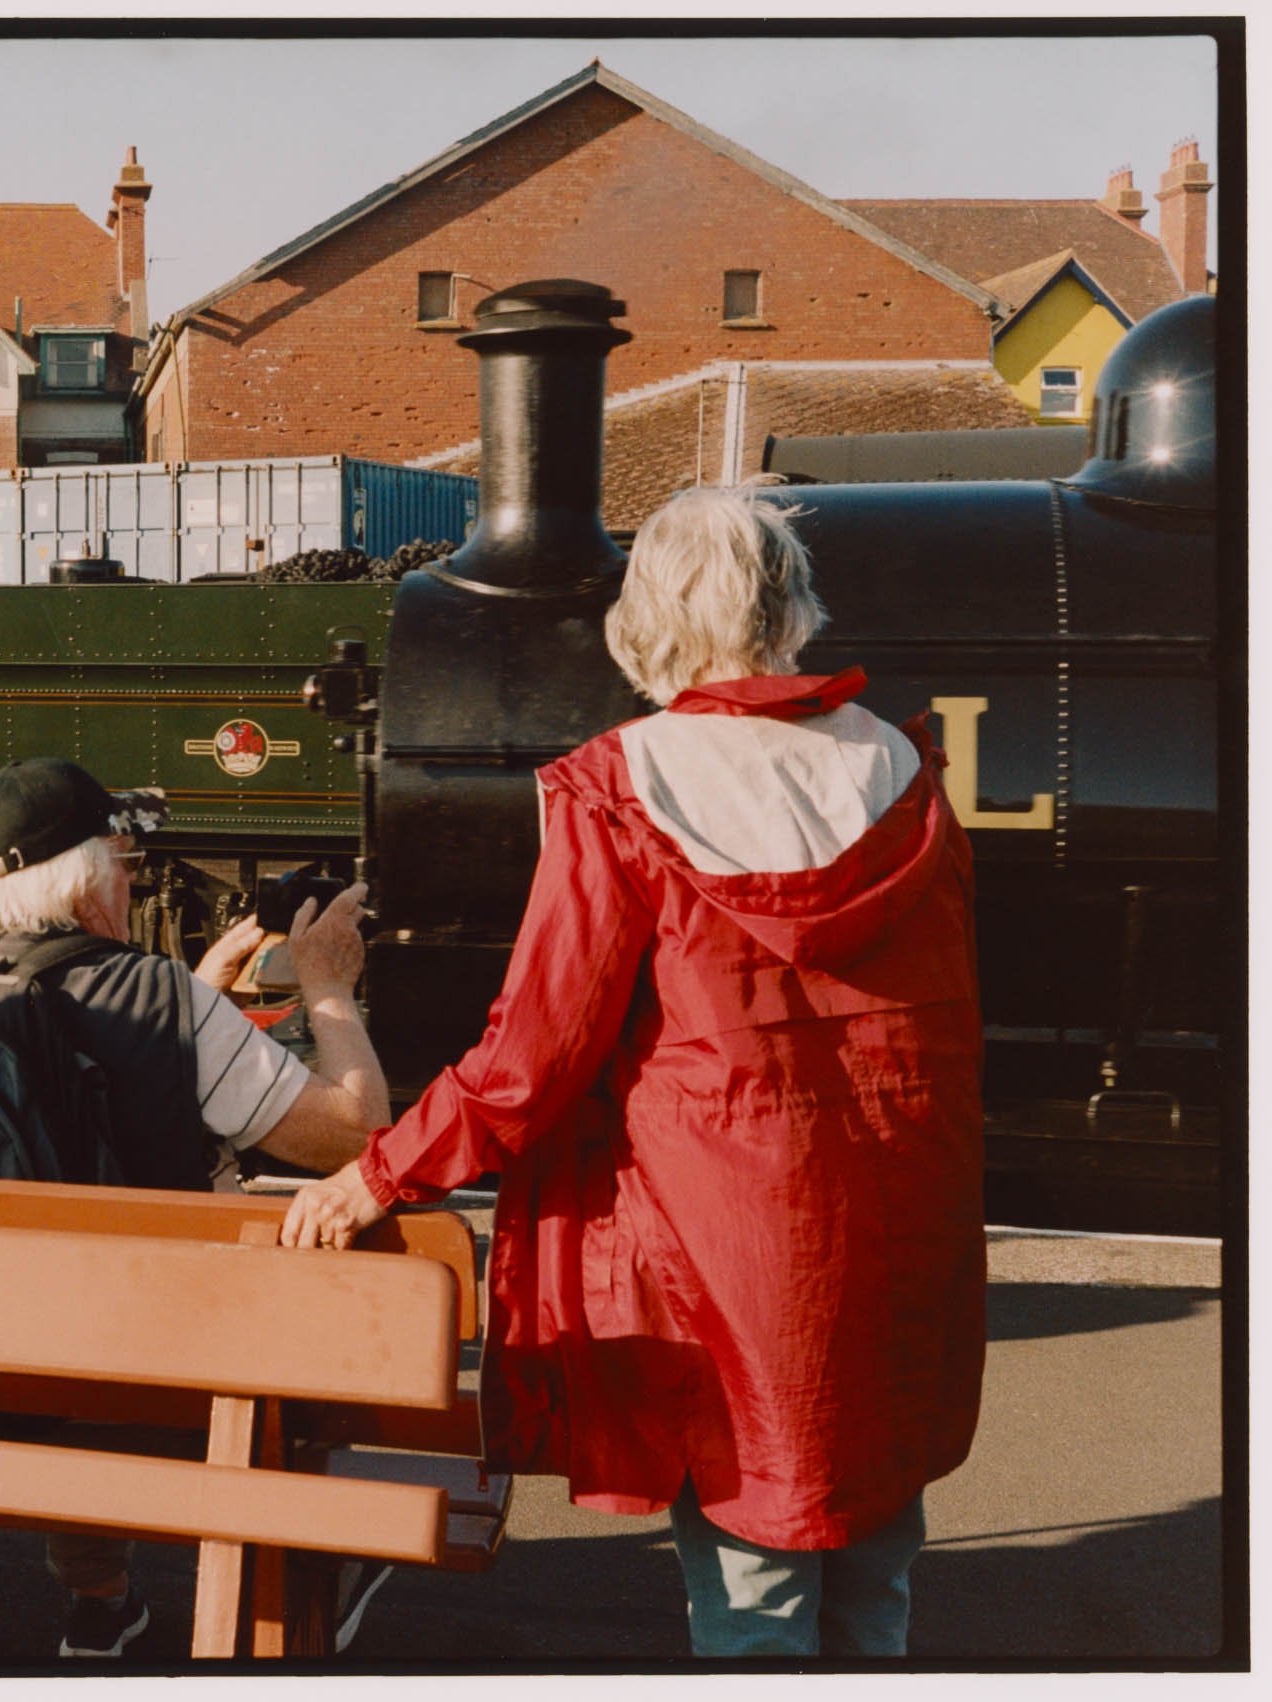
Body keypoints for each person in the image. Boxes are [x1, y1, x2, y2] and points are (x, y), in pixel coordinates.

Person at [280, 485, 985, 1659]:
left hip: (733, 1243)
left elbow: (531, 1052)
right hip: (903, 1221)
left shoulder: (620, 788)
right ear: (789, 607)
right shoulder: (908, 774)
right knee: (875, 1571)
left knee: (753, 1594)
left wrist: (381, 1173)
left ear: (646, 616)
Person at [0, 755, 389, 1657]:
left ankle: (100, 1606)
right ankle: (302, 1574)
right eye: (124, 860)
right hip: (163, 1386)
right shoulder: (154, 997)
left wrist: (196, 992)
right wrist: (327, 982)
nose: (136, 879)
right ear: (85, 877)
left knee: (62, 1314)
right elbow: (357, 1133)